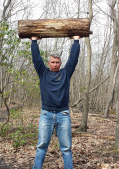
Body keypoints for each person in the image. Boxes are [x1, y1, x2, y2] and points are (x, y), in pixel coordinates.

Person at [31, 36, 81, 169]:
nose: (54, 64)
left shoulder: (66, 73)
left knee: (66, 148)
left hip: (63, 115)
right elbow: (36, 59)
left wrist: (76, 41)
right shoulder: (43, 73)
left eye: (57, 62)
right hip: (46, 114)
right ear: (49, 63)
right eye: (52, 62)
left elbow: (73, 60)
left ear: (60, 63)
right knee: (41, 146)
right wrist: (34, 42)